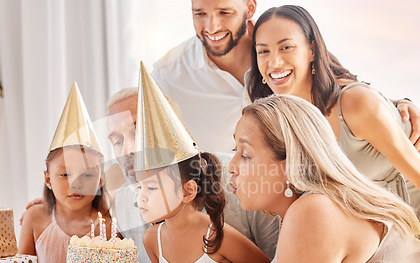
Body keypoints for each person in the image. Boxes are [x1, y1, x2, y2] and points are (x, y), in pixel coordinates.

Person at [228, 94, 420, 263]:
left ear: (291, 165)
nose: (231, 166)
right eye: (234, 151)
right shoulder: (318, 206)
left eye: (246, 155)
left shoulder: (315, 211)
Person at [151, 0, 420, 154]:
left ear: (249, 6)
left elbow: (336, 87)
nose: (212, 27)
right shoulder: (167, 76)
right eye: (200, 14)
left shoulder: (285, 45)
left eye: (224, 12)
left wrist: (397, 105)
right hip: (232, 206)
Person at [246, 5, 420, 216]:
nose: (274, 62)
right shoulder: (282, 117)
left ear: (311, 50)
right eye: (263, 51)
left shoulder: (355, 104)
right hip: (372, 233)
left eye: (286, 47)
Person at [106, 86, 279, 263]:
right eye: (117, 141)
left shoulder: (239, 178)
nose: (127, 150)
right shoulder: (123, 204)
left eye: (139, 132)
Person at [137, 63, 269, 263]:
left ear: (188, 191)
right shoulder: (151, 239)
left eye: (152, 188)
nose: (141, 198)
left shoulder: (216, 235)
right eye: (140, 188)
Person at [18, 83, 113, 263]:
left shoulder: (107, 225)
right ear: (48, 179)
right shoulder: (35, 218)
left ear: (100, 180)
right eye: (65, 175)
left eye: (87, 175)